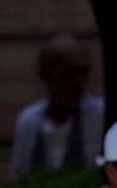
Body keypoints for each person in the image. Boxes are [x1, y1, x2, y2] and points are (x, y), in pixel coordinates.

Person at [10, 34, 105, 180]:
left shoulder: (100, 117)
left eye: (83, 73)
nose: (78, 83)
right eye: (69, 74)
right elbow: (19, 176)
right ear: (45, 74)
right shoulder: (29, 122)